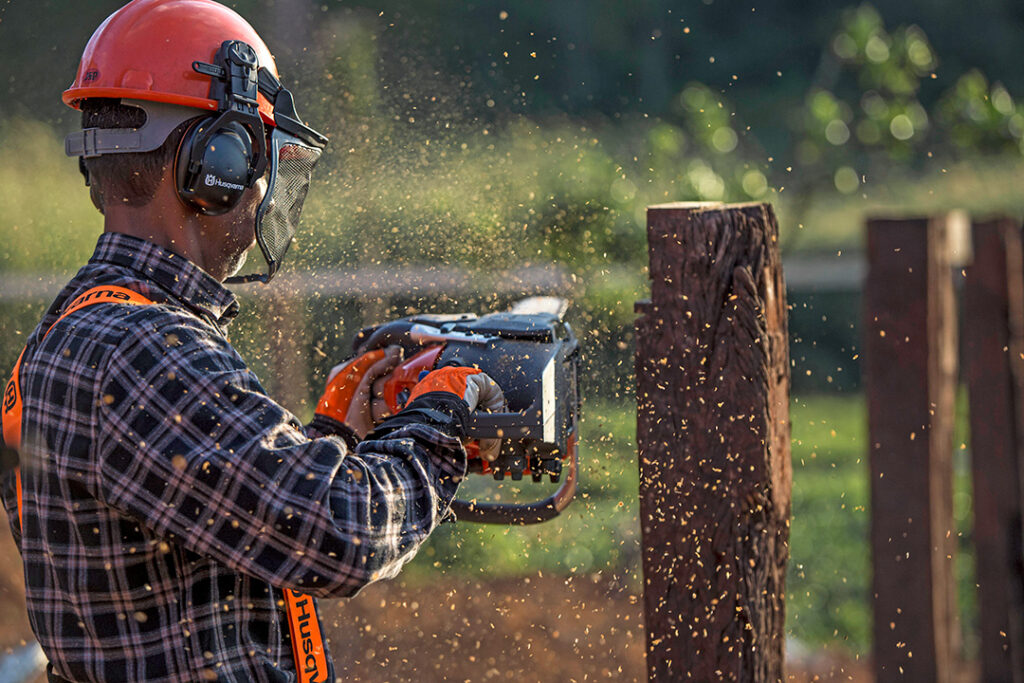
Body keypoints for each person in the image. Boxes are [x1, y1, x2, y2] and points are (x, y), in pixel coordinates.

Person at [0, 1, 502, 681]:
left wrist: (334, 439)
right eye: (261, 157)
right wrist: (444, 417)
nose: (266, 186)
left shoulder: (77, 330)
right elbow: (344, 534)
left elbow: (220, 534)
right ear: (215, 166)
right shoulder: (146, 347)